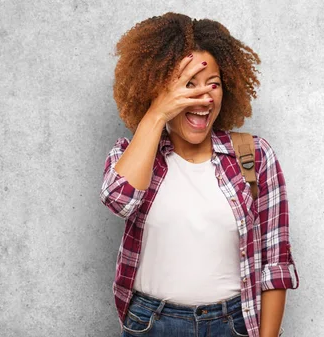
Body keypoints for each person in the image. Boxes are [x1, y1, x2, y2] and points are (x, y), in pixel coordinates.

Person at [99, 12, 299, 337]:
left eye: (213, 84)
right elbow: (117, 200)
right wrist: (158, 112)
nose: (203, 98)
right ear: (159, 90)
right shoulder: (131, 155)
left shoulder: (253, 156)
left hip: (232, 324)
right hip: (151, 324)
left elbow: (274, 261)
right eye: (186, 85)